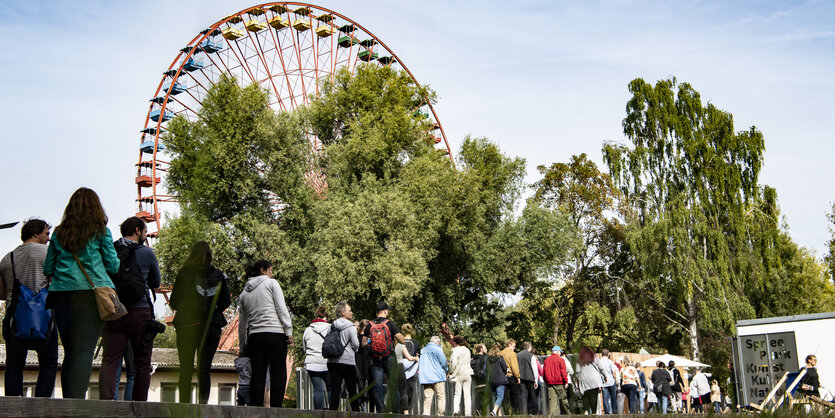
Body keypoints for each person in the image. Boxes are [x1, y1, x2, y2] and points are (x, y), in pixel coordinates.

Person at [43, 188, 120, 398]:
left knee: (70, 351)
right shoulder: (102, 231)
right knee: (84, 350)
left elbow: (48, 269)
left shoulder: (59, 233)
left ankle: (69, 400)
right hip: (91, 295)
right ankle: (77, 403)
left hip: (61, 295)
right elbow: (113, 266)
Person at [98, 216, 160, 401]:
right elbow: (155, 282)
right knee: (142, 363)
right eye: (144, 231)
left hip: (114, 311)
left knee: (110, 360)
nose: (145, 235)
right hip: (140, 312)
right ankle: (138, 408)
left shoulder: (110, 250)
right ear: (136, 230)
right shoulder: (147, 253)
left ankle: (107, 406)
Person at [0, 219, 58, 397]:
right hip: (45, 316)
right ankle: (41, 406)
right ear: (36, 233)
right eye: (46, 233)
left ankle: (13, 407)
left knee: (14, 365)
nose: (48, 238)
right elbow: (56, 284)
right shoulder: (49, 254)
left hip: (14, 318)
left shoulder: (7, 258)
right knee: (48, 364)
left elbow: (2, 293)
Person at [169, 240, 231, 403]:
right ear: (210, 256)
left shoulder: (184, 273)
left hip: (188, 326)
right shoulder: (218, 275)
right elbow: (226, 301)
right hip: (210, 327)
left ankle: (183, 407)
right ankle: (202, 407)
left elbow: (174, 301)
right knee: (204, 369)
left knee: (186, 369)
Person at [238, 260, 293, 408]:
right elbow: (281, 308)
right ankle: (276, 408)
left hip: (255, 337)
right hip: (275, 333)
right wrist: (288, 330)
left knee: (258, 374)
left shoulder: (244, 294)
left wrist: (242, 346)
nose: (272, 274)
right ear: (262, 270)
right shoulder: (272, 283)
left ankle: (256, 409)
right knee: (278, 372)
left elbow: (242, 324)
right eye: (271, 270)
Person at [362, 301, 406, 413]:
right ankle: (396, 412)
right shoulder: (390, 324)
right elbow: (402, 340)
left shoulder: (369, 325)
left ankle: (380, 412)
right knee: (393, 385)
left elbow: (363, 343)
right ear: (385, 311)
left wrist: (373, 343)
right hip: (389, 357)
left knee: (378, 387)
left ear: (377, 312)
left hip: (375, 359)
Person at [327, 301, 361, 412]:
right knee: (351, 388)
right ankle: (355, 411)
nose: (352, 313)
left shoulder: (332, 326)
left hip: (333, 361)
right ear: (343, 312)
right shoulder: (351, 327)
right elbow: (356, 344)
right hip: (347, 361)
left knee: (335, 388)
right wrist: (353, 350)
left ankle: (334, 411)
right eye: (349, 310)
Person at [303, 305, 331, 410]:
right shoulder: (330, 328)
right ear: (325, 317)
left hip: (312, 363)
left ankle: (318, 413)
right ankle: (333, 412)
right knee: (330, 388)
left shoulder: (308, 330)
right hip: (327, 362)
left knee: (318, 389)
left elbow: (304, 348)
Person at [419, 335, 448, 415]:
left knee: (427, 398)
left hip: (426, 378)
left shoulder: (423, 350)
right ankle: (440, 415)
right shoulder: (438, 349)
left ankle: (426, 415)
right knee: (441, 397)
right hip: (438, 377)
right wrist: (446, 370)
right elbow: (443, 362)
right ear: (437, 342)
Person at [396, 323, 420, 414]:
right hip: (412, 368)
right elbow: (418, 355)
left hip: (400, 367)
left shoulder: (399, 342)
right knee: (410, 391)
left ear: (402, 331)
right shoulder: (416, 342)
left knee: (401, 391)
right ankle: (407, 410)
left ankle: (401, 410)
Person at [449, 336, 473, 416]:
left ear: (455, 342)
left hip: (459, 373)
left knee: (457, 394)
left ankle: (456, 410)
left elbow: (454, 363)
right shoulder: (467, 350)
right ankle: (468, 412)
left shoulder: (455, 350)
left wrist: (451, 371)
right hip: (467, 373)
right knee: (467, 394)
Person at [574, 346, 603, 415]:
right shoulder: (594, 357)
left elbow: (577, 370)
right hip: (594, 379)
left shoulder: (580, 359)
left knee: (585, 395)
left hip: (584, 379)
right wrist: (605, 375)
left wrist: (577, 378)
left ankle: (586, 411)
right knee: (594, 396)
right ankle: (594, 412)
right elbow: (601, 367)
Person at [543, 346, 569, 415]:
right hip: (559, 383)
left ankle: (553, 415)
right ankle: (568, 414)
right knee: (563, 400)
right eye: (560, 352)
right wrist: (565, 382)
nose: (560, 354)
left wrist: (547, 382)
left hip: (550, 384)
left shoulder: (546, 360)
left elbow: (544, 373)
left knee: (552, 402)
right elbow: (563, 372)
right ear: (557, 352)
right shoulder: (561, 360)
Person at [500, 338, 523, 414]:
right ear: (509, 345)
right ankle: (517, 413)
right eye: (513, 346)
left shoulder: (500, 353)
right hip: (511, 376)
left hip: (503, 377)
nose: (514, 348)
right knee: (516, 396)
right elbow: (514, 367)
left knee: (505, 397)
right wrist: (518, 377)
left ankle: (506, 413)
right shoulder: (512, 354)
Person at [486, 342, 509, 416]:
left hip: (492, 380)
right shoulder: (500, 357)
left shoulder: (487, 358)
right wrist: (507, 371)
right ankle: (494, 411)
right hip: (500, 380)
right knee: (500, 397)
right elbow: (505, 368)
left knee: (496, 397)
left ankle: (499, 414)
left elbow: (486, 368)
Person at [517, 341, 539, 415]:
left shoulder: (518, 355)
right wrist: (536, 380)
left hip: (522, 378)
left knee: (524, 396)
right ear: (529, 347)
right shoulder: (531, 356)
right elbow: (534, 369)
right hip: (530, 378)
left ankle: (524, 413)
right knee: (533, 396)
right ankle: (535, 412)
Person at [598, 349, 619, 414]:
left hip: (603, 382)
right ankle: (615, 411)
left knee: (605, 398)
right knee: (613, 398)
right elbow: (614, 372)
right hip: (611, 381)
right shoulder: (610, 362)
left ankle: (607, 412)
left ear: (602, 354)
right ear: (608, 354)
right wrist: (616, 381)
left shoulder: (599, 362)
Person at [471, 343, 489, 415]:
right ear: (481, 350)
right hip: (484, 381)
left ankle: (479, 409)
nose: (486, 350)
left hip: (476, 382)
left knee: (479, 398)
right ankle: (480, 408)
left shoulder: (472, 360)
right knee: (489, 398)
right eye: (485, 348)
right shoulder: (485, 358)